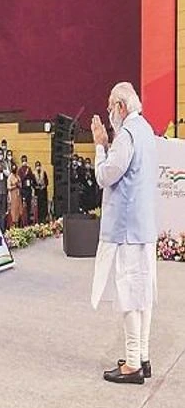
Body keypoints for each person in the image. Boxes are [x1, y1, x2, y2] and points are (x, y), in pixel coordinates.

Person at [90, 82, 157, 384]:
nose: (109, 113)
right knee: (142, 294)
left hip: (127, 229)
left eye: (110, 106)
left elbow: (105, 175)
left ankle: (132, 364)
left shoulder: (127, 134)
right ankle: (142, 356)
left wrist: (100, 146)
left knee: (130, 294)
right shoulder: (146, 130)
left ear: (120, 106)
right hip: (143, 227)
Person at [7, 163, 23, 228]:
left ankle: (18, 224)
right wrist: (14, 186)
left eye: (15, 168)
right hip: (13, 194)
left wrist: (19, 185)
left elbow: (20, 184)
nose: (14, 169)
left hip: (18, 194)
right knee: (14, 210)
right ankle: (14, 225)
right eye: (13, 168)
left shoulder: (18, 176)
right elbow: (8, 187)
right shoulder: (10, 177)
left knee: (19, 209)